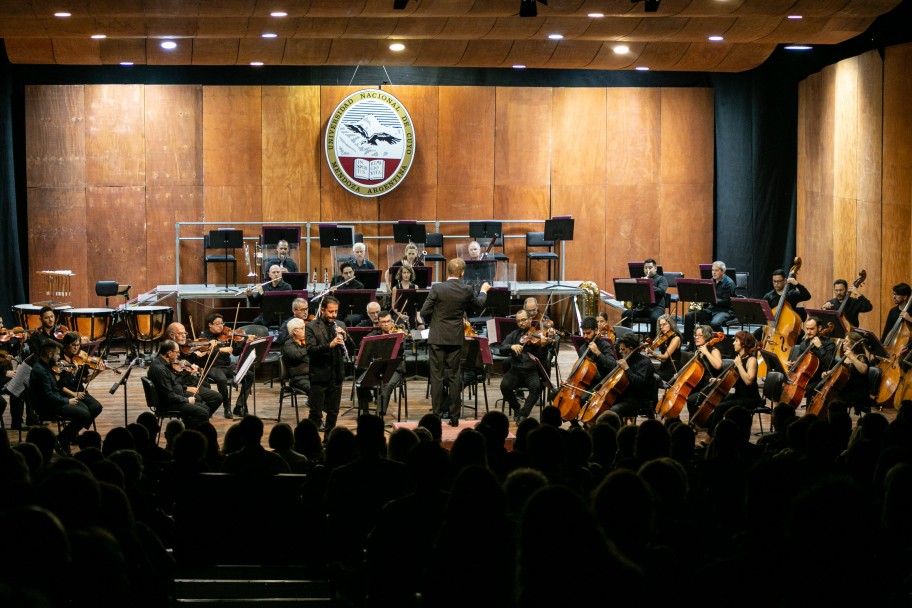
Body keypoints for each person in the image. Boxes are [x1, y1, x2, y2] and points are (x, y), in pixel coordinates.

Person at [419, 257, 490, 426]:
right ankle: (454, 418)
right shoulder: (466, 289)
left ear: (448, 272)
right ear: (462, 272)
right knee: (454, 376)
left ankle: (436, 416)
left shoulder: (437, 288)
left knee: (436, 377)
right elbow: (479, 304)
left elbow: (424, 311)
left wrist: (434, 322)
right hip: (455, 338)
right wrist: (484, 290)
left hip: (437, 337)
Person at [28, 340, 102, 455]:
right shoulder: (40, 371)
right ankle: (64, 438)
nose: (59, 357)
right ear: (50, 355)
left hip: (55, 399)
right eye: (57, 354)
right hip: (48, 405)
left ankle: (66, 437)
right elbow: (48, 396)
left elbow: (55, 387)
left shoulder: (45, 365)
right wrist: (67, 400)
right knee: (84, 414)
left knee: (87, 410)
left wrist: (71, 374)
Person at [305, 295, 355, 437]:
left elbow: (352, 349)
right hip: (319, 375)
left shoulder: (341, 324)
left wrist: (345, 337)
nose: (334, 315)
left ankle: (328, 441)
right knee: (316, 413)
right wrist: (330, 345)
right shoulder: (311, 327)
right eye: (331, 312)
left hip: (336, 374)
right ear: (323, 310)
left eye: (336, 311)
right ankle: (311, 442)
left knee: (333, 412)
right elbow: (311, 350)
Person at [702, 330, 763, 432]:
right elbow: (735, 380)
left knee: (721, 408)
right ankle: (720, 432)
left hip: (750, 398)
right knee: (718, 403)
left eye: (736, 340)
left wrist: (739, 365)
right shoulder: (739, 358)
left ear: (743, 343)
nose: (733, 343)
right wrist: (719, 380)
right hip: (739, 395)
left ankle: (711, 436)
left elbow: (748, 381)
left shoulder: (751, 360)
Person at [499, 309, 553, 424]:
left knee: (536, 388)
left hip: (531, 371)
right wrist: (511, 347)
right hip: (515, 370)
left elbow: (541, 357)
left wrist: (543, 346)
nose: (521, 323)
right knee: (504, 386)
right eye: (518, 321)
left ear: (530, 319)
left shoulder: (537, 335)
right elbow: (502, 349)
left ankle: (523, 414)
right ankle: (517, 408)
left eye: (523, 320)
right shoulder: (514, 335)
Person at [147, 339, 212, 430]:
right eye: (177, 352)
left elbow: (173, 382)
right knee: (203, 412)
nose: (178, 355)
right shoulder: (160, 370)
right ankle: (188, 435)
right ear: (169, 353)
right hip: (167, 404)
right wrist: (186, 400)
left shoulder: (163, 362)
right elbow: (169, 396)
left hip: (174, 398)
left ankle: (196, 432)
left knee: (204, 406)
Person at [162, 322, 225, 416]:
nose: (184, 336)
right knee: (217, 397)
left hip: (186, 380)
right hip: (181, 385)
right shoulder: (169, 352)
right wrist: (187, 386)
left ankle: (200, 415)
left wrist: (192, 365)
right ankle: (200, 415)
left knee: (206, 385)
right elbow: (171, 376)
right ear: (171, 335)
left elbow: (190, 361)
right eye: (180, 334)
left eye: (185, 333)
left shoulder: (183, 348)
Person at [199, 313, 254, 417]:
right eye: (217, 324)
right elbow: (203, 355)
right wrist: (219, 350)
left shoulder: (227, 334)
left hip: (227, 366)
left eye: (222, 323)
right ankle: (226, 406)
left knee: (249, 375)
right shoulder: (204, 337)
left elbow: (236, 352)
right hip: (212, 366)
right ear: (210, 325)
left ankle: (239, 405)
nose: (220, 326)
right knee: (222, 379)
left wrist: (245, 343)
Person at [355, 311, 406, 417]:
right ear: (378, 323)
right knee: (360, 382)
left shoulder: (398, 334)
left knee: (386, 385)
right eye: (383, 322)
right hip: (377, 367)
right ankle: (365, 413)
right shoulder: (374, 335)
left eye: (388, 321)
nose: (386, 324)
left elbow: (401, 350)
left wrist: (399, 339)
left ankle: (380, 414)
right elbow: (363, 345)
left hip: (394, 368)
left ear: (392, 321)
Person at [683, 261, 736, 349]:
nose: (713, 272)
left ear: (723, 271)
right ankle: (691, 344)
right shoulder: (711, 281)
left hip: (725, 310)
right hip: (712, 309)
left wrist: (712, 300)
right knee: (689, 316)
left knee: (715, 323)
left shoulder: (729, 283)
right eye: (712, 270)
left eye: (716, 270)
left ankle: (723, 345)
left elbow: (727, 301)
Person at [819, 330, 871, 415]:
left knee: (836, 402)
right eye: (844, 341)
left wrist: (852, 357)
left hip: (857, 392)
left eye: (846, 341)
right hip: (845, 388)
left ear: (854, 344)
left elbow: (864, 370)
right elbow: (841, 372)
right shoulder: (845, 357)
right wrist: (828, 373)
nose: (843, 343)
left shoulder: (861, 357)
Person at [786, 316, 836, 402]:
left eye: (811, 329)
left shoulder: (829, 344)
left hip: (820, 378)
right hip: (805, 376)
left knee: (810, 388)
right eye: (807, 329)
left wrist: (820, 347)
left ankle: (809, 413)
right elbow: (800, 361)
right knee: (782, 380)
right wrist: (793, 365)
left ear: (819, 328)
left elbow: (829, 363)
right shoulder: (804, 344)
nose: (808, 332)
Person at [754, 268, 812, 341]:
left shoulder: (792, 294)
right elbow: (763, 314)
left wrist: (797, 284)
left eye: (779, 281)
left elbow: (807, 296)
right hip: (773, 326)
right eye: (774, 281)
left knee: (803, 338)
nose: (776, 284)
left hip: (788, 327)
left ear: (785, 281)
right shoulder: (768, 296)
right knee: (754, 335)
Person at [608, 333, 655, 419]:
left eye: (622, 349)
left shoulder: (645, 363)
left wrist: (627, 368)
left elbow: (640, 384)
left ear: (631, 349)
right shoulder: (627, 359)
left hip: (638, 399)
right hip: (625, 395)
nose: (620, 351)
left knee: (613, 411)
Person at [684, 325, 724, 420]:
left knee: (692, 399)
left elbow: (718, 365)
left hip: (710, 386)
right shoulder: (698, 351)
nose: (696, 337)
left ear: (706, 337)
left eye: (700, 335)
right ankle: (697, 420)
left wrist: (706, 353)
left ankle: (696, 421)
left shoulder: (714, 350)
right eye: (695, 335)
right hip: (699, 385)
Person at [620, 258, 668, 336]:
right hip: (643, 308)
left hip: (656, 307)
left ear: (655, 268)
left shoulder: (661, 279)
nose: (647, 270)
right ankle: (627, 337)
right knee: (625, 314)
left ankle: (651, 340)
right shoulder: (640, 280)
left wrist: (648, 284)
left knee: (654, 318)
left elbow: (661, 291)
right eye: (645, 268)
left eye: (650, 267)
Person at [281, 317, 311, 398]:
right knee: (314, 388)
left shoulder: (307, 341)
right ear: (295, 331)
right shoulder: (288, 345)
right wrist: (309, 347)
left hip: (312, 374)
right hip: (299, 379)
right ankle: (315, 405)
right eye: (303, 328)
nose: (306, 330)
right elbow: (297, 355)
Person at [651, 313, 682, 383]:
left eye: (664, 324)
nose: (662, 327)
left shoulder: (676, 338)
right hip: (663, 367)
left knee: (650, 376)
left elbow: (665, 356)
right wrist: (651, 345)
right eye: (660, 325)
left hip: (671, 370)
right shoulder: (663, 337)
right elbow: (653, 346)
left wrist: (652, 353)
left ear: (671, 324)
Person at [391, 264, 418, 329]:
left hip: (412, 313)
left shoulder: (415, 287)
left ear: (411, 274)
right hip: (399, 313)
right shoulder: (395, 288)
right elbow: (393, 306)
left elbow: (417, 304)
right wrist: (401, 315)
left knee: (421, 327)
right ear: (401, 274)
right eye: (404, 272)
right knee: (402, 328)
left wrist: (417, 316)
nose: (406, 275)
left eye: (408, 272)